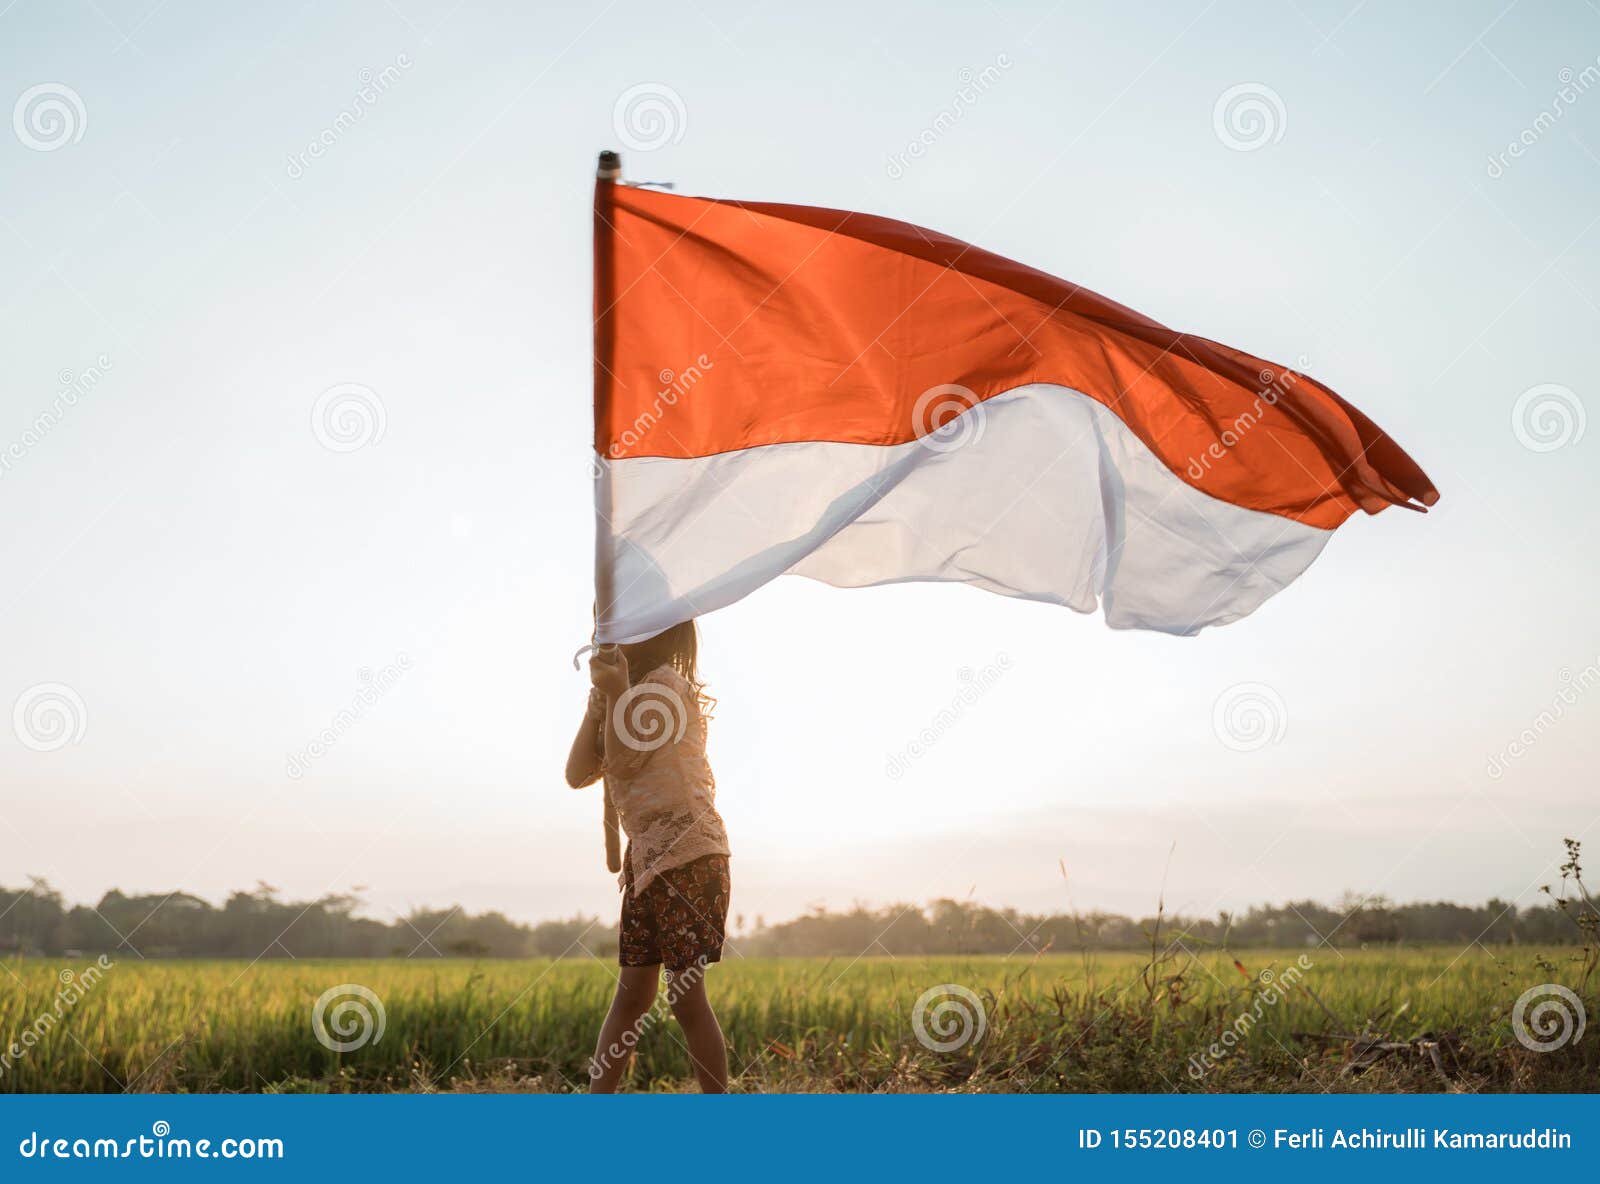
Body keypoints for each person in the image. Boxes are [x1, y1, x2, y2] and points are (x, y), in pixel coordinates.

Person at [565, 619, 732, 1093]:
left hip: (690, 857)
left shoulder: (664, 689)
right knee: (632, 996)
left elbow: (623, 762)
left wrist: (617, 696)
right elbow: (578, 773)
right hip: (646, 865)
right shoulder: (624, 692)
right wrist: (599, 706)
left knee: (685, 997)